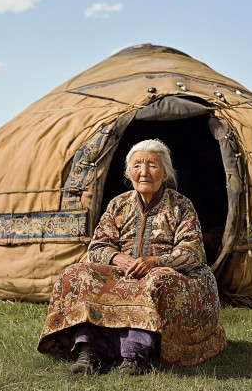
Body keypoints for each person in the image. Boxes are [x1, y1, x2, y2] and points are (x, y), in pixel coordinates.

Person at [38, 139, 227, 375]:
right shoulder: (119, 204)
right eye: (137, 165)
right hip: (123, 271)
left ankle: (136, 355)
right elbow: (97, 246)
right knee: (76, 274)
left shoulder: (181, 206)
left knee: (156, 281)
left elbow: (192, 252)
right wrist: (118, 258)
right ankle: (91, 351)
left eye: (152, 165)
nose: (144, 172)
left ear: (166, 172)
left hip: (165, 271)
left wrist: (156, 262)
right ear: (129, 172)